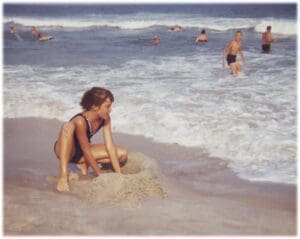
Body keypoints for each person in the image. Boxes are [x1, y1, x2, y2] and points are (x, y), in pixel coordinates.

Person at [53, 87, 128, 192]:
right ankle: (63, 175)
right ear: (95, 106)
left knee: (122, 154)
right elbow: (87, 151)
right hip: (66, 151)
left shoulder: (105, 118)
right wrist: (99, 174)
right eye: (107, 106)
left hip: (83, 152)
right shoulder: (80, 121)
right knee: (67, 126)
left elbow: (110, 145)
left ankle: (82, 163)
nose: (110, 110)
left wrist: (119, 174)